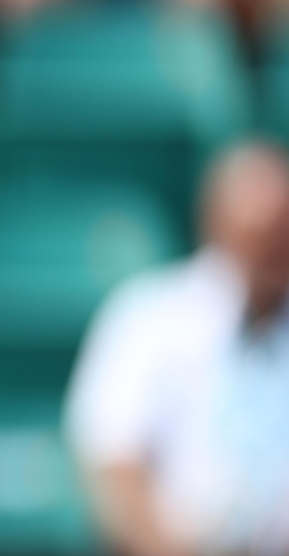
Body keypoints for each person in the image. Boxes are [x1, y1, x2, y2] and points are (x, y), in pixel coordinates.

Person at [64, 140, 289, 556]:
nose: (270, 255)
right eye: (257, 237)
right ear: (214, 223)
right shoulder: (148, 317)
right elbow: (111, 459)